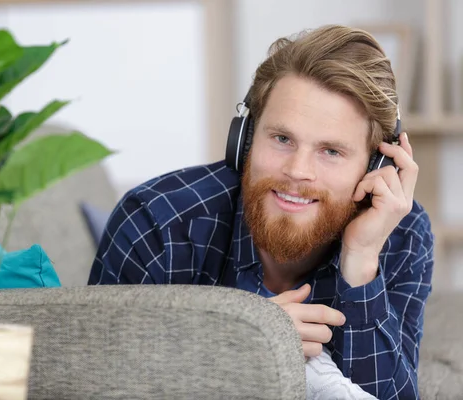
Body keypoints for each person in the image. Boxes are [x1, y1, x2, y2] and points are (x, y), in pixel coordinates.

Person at [88, 24, 434, 400]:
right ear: (245, 139)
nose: (298, 171)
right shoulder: (157, 222)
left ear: (374, 166)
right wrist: (239, 345)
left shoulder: (402, 231)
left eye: (331, 151)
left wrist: (362, 260)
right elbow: (91, 379)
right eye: (282, 139)